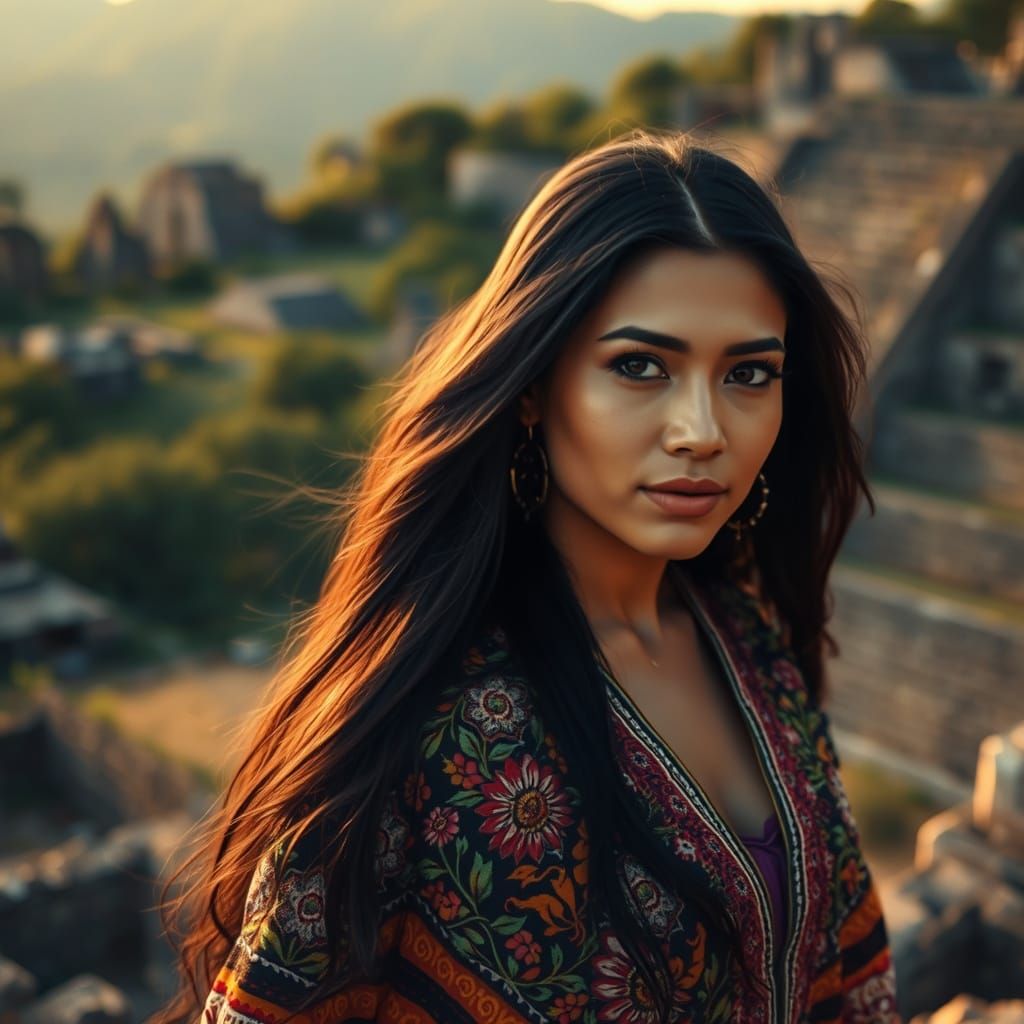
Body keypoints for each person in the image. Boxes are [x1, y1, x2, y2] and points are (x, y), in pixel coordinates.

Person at [154, 128, 901, 1024]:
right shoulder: (424, 734)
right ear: (534, 386)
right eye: (640, 366)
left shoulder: (750, 640)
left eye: (748, 373)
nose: (704, 431)